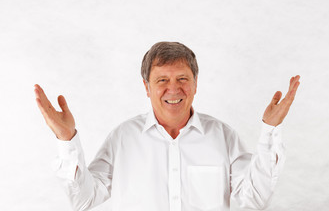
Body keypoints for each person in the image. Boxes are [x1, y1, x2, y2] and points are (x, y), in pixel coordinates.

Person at [34, 41, 300, 211]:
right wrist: (66, 139)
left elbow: (253, 201)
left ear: (195, 84)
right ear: (147, 88)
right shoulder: (123, 138)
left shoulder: (223, 136)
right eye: (162, 80)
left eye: (183, 78)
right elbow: (84, 200)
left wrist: (270, 130)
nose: (174, 89)